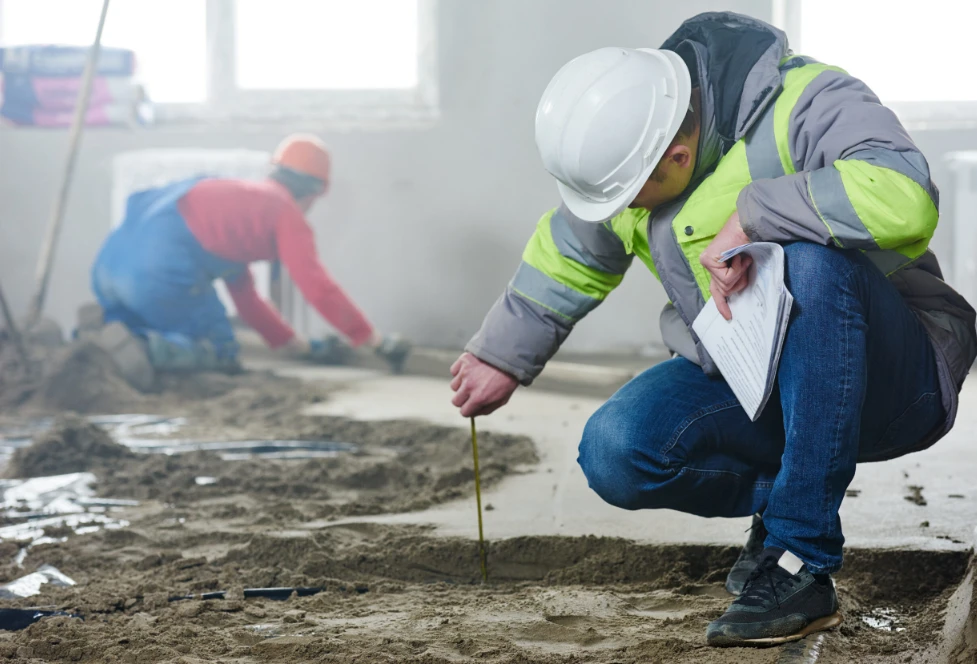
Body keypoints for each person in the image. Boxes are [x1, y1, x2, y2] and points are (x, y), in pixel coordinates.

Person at [449, 12, 976, 647]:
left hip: (898, 377)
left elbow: (905, 193)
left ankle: (798, 556)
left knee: (805, 261)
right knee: (618, 450)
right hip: (757, 376)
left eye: (631, 196)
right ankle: (792, 493)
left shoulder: (807, 101)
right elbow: (571, 250)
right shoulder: (632, 155)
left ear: (676, 154)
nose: (624, 212)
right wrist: (501, 355)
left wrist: (757, 216)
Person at [91, 134, 409, 373]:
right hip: (156, 270)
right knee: (220, 351)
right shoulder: (284, 211)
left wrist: (294, 346)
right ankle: (146, 352)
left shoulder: (238, 203)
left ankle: (97, 340)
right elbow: (318, 287)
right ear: (313, 193)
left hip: (109, 267)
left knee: (130, 324)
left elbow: (246, 297)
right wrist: (373, 340)